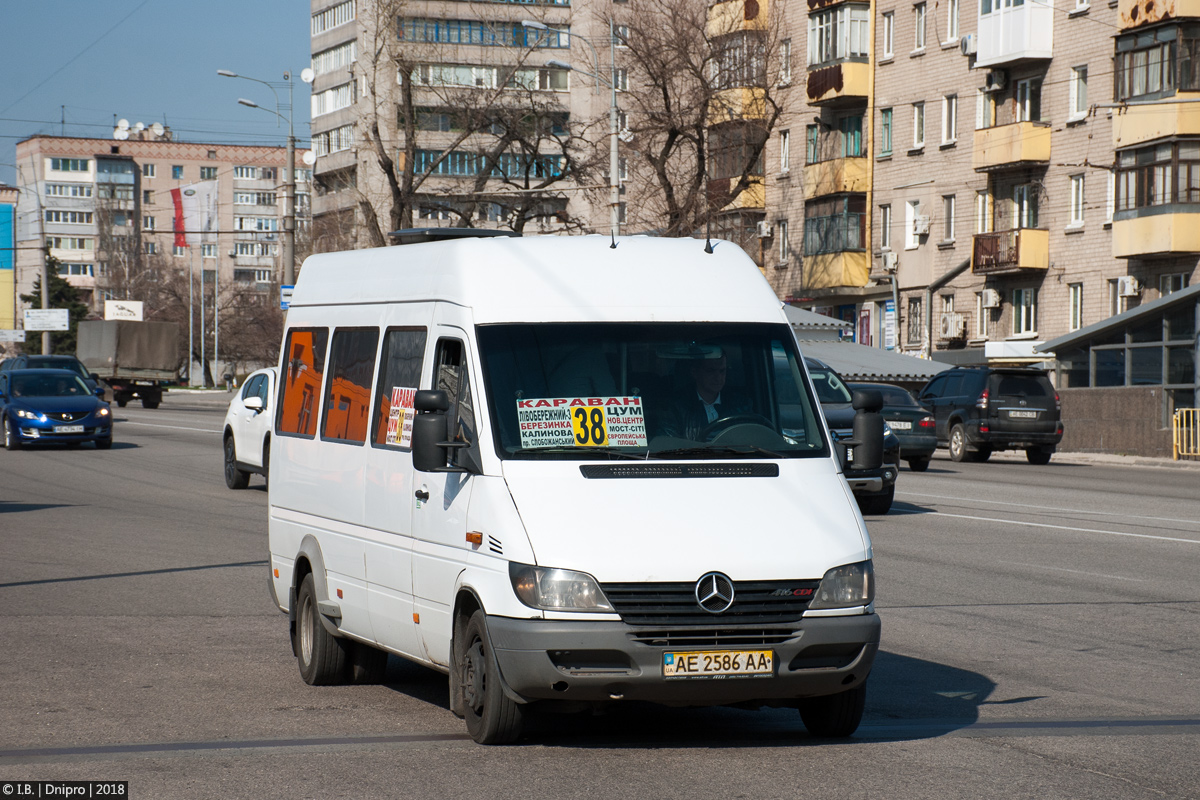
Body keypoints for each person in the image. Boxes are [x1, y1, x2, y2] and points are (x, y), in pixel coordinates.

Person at [658, 350, 752, 440]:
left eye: (722, 371)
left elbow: (750, 437)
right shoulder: (676, 407)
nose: (718, 378)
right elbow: (670, 446)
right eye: (711, 371)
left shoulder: (739, 405)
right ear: (695, 372)